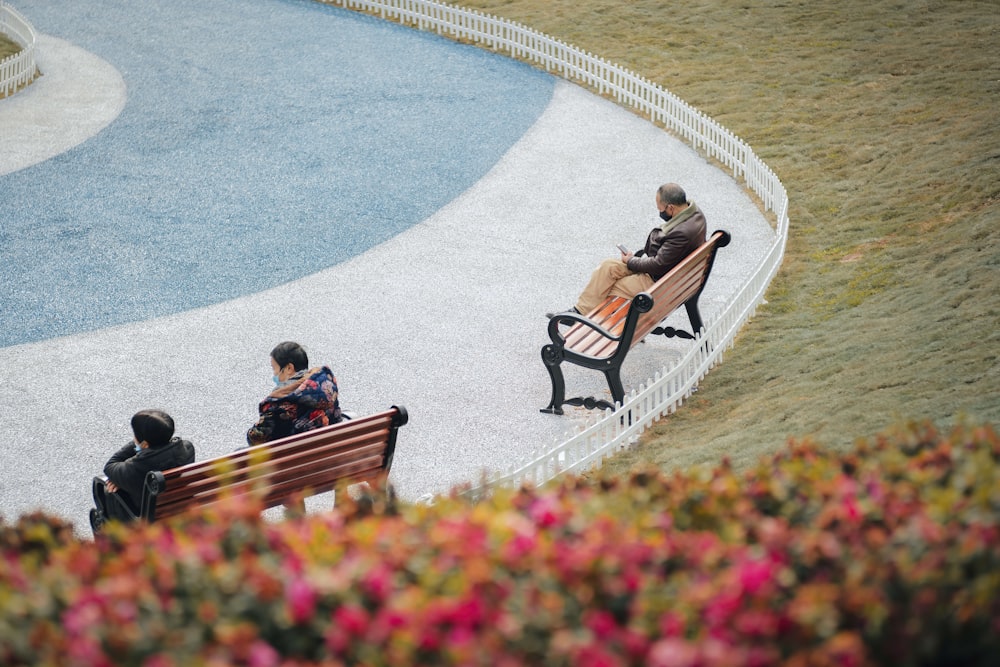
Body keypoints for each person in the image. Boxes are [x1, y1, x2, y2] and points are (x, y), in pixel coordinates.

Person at [549, 183, 707, 317]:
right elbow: (663, 259)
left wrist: (631, 261)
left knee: (607, 286)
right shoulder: (695, 213)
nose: (660, 212)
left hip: (657, 283)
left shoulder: (682, 233)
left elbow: (658, 265)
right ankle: (579, 312)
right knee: (608, 267)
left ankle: (594, 324)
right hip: (670, 275)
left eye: (660, 209)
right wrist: (632, 260)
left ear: (670, 208)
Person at [90, 409, 195, 533]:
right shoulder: (187, 448)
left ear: (145, 444)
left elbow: (110, 466)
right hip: (180, 507)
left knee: (107, 490)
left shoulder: (136, 467)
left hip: (149, 518)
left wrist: (136, 445)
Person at [246, 341, 343, 446]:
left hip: (300, 458)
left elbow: (257, 439)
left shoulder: (278, 403)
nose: (274, 374)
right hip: (334, 448)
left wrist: (251, 432)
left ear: (289, 368)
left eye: (274, 368)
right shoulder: (326, 386)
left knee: (240, 452)